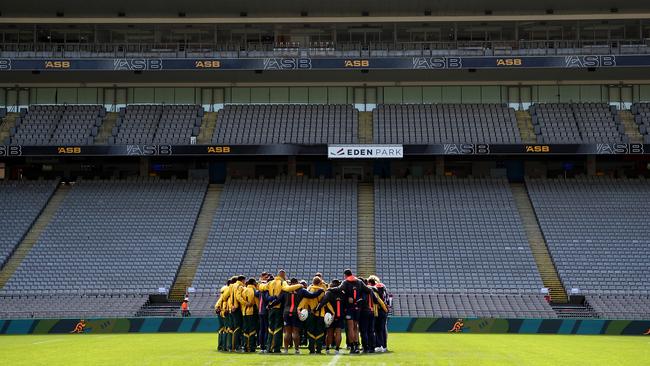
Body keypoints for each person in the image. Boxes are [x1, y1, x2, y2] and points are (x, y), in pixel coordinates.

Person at [273, 278, 324, 354]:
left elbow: (278, 300)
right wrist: (320, 290)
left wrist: (270, 305)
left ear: (290, 283)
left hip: (286, 312)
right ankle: (296, 350)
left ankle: (286, 350)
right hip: (296, 312)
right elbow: (312, 295)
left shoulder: (285, 290)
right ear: (297, 283)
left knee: (287, 332)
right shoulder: (301, 290)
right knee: (295, 332)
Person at [257, 270, 303, 353]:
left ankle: (269, 348)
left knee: (270, 328)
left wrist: (260, 283)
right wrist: (299, 285)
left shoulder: (270, 283)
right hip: (278, 308)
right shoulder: (282, 282)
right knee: (278, 328)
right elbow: (288, 288)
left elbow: (261, 287)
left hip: (271, 308)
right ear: (283, 275)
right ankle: (276, 348)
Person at [332, 269, 371, 354]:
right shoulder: (359, 282)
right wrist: (361, 298)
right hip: (357, 308)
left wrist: (330, 289)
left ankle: (353, 347)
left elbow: (339, 289)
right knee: (355, 327)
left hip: (349, 308)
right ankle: (357, 346)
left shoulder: (345, 282)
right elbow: (368, 290)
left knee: (350, 328)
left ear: (345, 275)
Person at [299, 276, 328, 354]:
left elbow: (304, 301)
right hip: (321, 314)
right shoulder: (322, 291)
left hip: (311, 313)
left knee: (310, 331)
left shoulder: (309, 290)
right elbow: (326, 302)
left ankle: (311, 349)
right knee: (320, 332)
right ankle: (318, 349)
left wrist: (299, 308)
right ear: (319, 283)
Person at [315, 279, 345, 355]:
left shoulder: (329, 292)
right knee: (338, 332)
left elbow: (323, 301)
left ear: (332, 284)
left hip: (330, 314)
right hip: (340, 314)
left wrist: (317, 309)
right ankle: (337, 349)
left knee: (329, 333)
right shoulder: (343, 293)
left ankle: (327, 348)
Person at [368, 275, 389, 352]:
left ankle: (379, 345)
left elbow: (378, 300)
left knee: (377, 329)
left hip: (378, 310)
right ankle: (384, 345)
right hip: (384, 310)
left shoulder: (375, 289)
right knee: (383, 329)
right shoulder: (383, 287)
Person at [240, 278, 259, 352]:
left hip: (244, 312)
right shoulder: (254, 291)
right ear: (253, 283)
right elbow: (256, 303)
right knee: (252, 330)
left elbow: (240, 299)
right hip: (252, 312)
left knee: (245, 330)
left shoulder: (243, 290)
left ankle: (245, 346)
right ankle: (251, 346)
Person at [215, 278, 233, 352]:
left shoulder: (223, 290)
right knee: (226, 329)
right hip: (225, 312)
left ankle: (220, 346)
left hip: (220, 311)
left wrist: (217, 307)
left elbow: (220, 300)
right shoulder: (228, 290)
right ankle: (225, 346)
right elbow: (224, 300)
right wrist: (225, 309)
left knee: (221, 329)